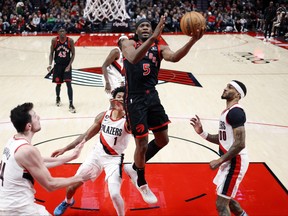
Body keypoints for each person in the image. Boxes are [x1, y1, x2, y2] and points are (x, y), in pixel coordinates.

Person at [121, 16, 203, 204]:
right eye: (141, 25)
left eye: (147, 26)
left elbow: (174, 57)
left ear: (152, 29)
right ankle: (141, 182)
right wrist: (153, 38)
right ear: (136, 30)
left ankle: (134, 167)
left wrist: (193, 40)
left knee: (163, 139)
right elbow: (133, 58)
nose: (144, 28)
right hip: (135, 98)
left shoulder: (159, 47)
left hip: (152, 96)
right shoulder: (128, 43)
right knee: (141, 144)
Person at [52, 86, 131, 216]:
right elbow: (85, 136)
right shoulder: (103, 116)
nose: (121, 100)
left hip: (114, 159)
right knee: (72, 185)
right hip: (96, 155)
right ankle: (68, 201)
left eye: (124, 98)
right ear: (113, 99)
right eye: (119, 97)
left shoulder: (128, 121)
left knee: (115, 194)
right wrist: (65, 148)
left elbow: (140, 131)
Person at [0, 102, 91, 215]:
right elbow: (50, 184)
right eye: (35, 116)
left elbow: (39, 162)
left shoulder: (13, 141)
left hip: (7, 205)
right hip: (19, 210)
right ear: (29, 126)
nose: (38, 117)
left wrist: (71, 156)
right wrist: (80, 178)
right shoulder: (26, 150)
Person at [190, 80, 248, 216]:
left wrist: (220, 160)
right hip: (230, 161)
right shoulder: (227, 112)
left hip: (236, 162)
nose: (225, 88)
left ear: (238, 95)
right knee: (228, 200)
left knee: (221, 205)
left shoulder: (236, 113)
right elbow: (223, 139)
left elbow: (240, 143)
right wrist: (202, 132)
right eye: (226, 86)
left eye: (230, 87)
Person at [47, 27, 76, 113]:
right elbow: (51, 53)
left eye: (64, 31)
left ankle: (71, 104)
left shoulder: (70, 41)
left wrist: (69, 65)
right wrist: (49, 64)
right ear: (58, 33)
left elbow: (73, 54)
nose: (62, 32)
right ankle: (58, 97)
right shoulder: (54, 41)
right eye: (61, 31)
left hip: (67, 66)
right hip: (58, 66)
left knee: (69, 84)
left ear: (66, 32)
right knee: (58, 85)